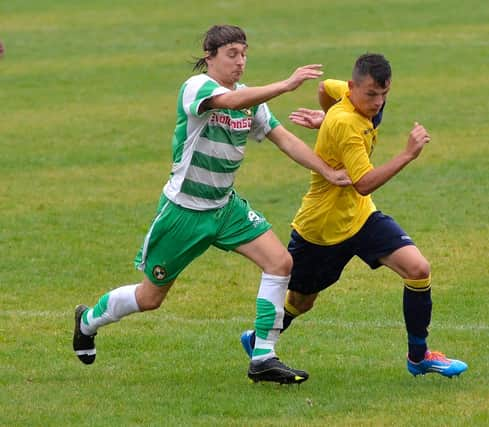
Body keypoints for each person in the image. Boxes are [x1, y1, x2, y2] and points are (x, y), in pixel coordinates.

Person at [72, 24, 352, 385]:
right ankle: (87, 320)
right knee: (151, 296)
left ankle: (264, 357)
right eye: (232, 54)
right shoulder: (197, 88)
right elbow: (229, 101)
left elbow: (284, 139)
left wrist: (327, 171)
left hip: (225, 209)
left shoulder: (251, 99)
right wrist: (285, 85)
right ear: (210, 57)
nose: (240, 62)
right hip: (184, 212)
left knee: (281, 262)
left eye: (244, 54)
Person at [241, 53, 468, 378]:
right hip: (322, 229)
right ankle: (259, 339)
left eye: (383, 95)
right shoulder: (347, 125)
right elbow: (363, 183)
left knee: (418, 269)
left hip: (360, 217)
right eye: (371, 95)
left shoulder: (348, 102)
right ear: (352, 88)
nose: (378, 103)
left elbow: (324, 87)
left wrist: (326, 117)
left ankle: (419, 357)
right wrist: (406, 154)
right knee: (302, 301)